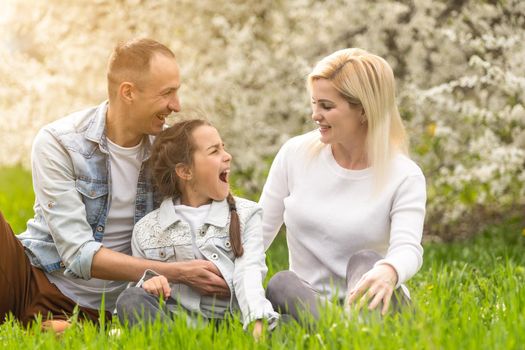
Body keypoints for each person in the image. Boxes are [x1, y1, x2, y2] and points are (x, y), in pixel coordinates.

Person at [0, 38, 230, 330]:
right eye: (167, 93)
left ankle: (69, 327)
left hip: (122, 303)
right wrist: (178, 272)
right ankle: (43, 317)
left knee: (82, 328)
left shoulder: (173, 150)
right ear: (128, 92)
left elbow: (216, 211)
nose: (176, 105)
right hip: (37, 281)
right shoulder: (59, 142)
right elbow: (77, 253)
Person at [260, 48, 427, 321]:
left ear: (363, 110)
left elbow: (407, 247)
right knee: (282, 284)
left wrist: (390, 271)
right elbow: (257, 234)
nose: (315, 114)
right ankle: (346, 333)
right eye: (314, 103)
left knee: (366, 260)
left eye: (326, 106)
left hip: (374, 302)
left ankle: (347, 330)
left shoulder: (404, 175)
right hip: (309, 303)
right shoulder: (294, 154)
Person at [116, 119, 279, 339]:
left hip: (232, 324)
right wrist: (151, 283)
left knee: (286, 319)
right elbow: (144, 286)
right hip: (178, 327)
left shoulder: (247, 214)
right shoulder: (146, 229)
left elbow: (249, 271)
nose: (227, 155)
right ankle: (175, 343)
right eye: (214, 151)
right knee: (130, 299)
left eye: (224, 146)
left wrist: (257, 322)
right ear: (185, 171)